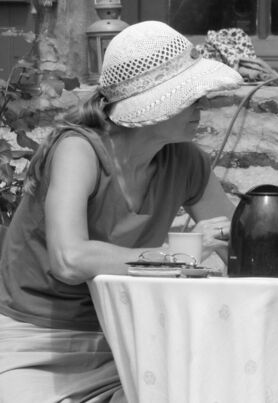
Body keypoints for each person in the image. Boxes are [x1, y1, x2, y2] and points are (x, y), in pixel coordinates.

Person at [0, 20, 243, 402]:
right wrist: (176, 256)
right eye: (191, 96)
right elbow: (70, 259)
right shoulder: (78, 150)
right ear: (157, 103)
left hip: (129, 337)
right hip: (36, 341)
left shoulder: (187, 162)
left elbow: (247, 251)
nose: (203, 105)